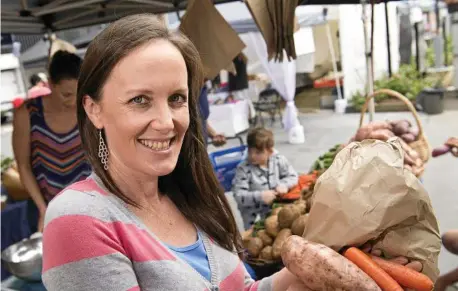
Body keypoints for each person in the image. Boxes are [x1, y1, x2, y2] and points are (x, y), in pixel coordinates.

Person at [42, 15, 422, 291]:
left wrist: (321, 269)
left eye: (176, 99)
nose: (166, 121)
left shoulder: (189, 198)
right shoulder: (79, 218)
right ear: (94, 109)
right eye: (139, 100)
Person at [12, 51, 92, 233]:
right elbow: (23, 166)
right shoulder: (27, 113)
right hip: (45, 201)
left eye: (78, 93)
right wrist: (43, 208)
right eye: (66, 94)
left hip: (87, 201)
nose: (73, 101)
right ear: (50, 84)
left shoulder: (86, 108)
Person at [232, 128, 298, 230]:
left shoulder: (279, 160)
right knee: (254, 237)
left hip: (274, 211)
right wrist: (261, 196)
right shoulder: (243, 168)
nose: (252, 156)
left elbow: (293, 176)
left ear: (270, 151)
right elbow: (238, 195)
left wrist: (284, 184)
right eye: (250, 151)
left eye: (258, 152)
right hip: (251, 215)